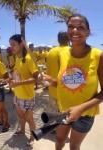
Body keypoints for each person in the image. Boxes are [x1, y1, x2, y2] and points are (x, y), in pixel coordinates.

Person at [42, 13, 103, 150]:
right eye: (71, 26)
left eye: (80, 27)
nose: (75, 30)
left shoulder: (98, 55)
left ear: (88, 32)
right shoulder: (62, 55)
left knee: (74, 146)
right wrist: (50, 81)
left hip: (85, 114)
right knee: (59, 140)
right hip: (62, 110)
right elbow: (63, 83)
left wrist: (80, 109)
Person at [9, 34, 39, 146]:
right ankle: (22, 131)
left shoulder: (29, 59)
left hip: (27, 96)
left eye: (13, 44)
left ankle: (32, 137)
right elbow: (17, 75)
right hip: (17, 95)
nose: (11, 47)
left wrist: (19, 83)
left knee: (29, 119)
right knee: (20, 116)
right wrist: (9, 79)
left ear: (21, 44)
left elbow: (36, 79)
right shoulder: (17, 59)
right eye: (10, 45)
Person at [46, 31, 70, 113]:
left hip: (53, 90)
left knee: (55, 115)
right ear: (69, 38)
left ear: (58, 39)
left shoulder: (51, 52)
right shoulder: (72, 51)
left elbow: (48, 73)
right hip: (68, 92)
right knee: (67, 118)